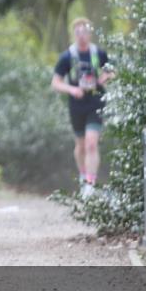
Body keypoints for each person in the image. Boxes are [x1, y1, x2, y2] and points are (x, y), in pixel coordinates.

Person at [51, 18, 113, 197]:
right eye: (78, 32)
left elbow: (111, 71)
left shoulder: (98, 53)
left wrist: (104, 78)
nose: (81, 36)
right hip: (77, 105)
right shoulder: (67, 57)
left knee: (91, 143)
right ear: (74, 34)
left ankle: (90, 184)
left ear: (90, 33)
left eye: (84, 32)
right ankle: (83, 175)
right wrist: (72, 89)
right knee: (80, 145)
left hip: (96, 102)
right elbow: (55, 82)